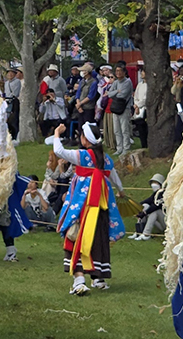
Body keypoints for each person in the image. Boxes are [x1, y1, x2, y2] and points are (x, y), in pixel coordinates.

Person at [47, 122, 123, 295]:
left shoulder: (83, 156)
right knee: (98, 237)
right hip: (101, 204)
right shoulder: (106, 158)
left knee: (76, 235)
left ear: (85, 139)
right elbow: (115, 177)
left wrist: (57, 134)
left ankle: (79, 280)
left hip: (82, 204)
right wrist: (121, 191)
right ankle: (98, 278)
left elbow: (60, 151)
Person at [130, 174, 166, 240]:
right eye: (152, 183)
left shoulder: (164, 194)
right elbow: (146, 201)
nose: (153, 184)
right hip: (159, 223)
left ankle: (146, 234)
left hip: (165, 223)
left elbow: (156, 206)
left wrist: (145, 213)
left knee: (155, 212)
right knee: (145, 206)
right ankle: (139, 232)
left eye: (156, 182)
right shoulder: (155, 194)